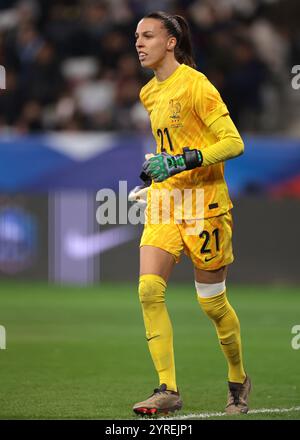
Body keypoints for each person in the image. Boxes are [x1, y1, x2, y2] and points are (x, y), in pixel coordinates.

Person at [132, 11, 251, 417]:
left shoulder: (197, 87)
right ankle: (167, 389)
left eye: (148, 35)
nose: (139, 43)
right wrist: (154, 175)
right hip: (166, 202)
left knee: (213, 305)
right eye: (136, 36)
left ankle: (237, 379)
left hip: (206, 205)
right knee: (149, 290)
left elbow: (233, 143)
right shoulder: (149, 93)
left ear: (171, 42)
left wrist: (184, 160)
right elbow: (168, 151)